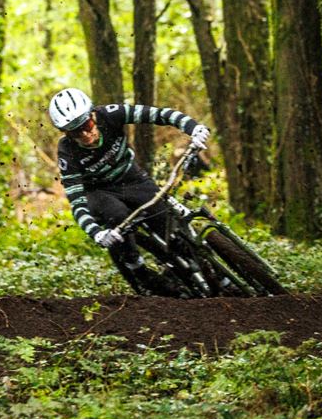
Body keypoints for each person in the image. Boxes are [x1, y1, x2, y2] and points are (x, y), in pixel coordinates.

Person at [48, 87, 210, 289]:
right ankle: (136, 266)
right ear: (66, 133)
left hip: (131, 178)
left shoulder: (111, 115)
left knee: (167, 222)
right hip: (99, 193)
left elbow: (159, 114)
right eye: (75, 131)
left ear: (93, 115)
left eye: (87, 124)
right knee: (117, 215)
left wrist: (193, 128)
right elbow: (76, 200)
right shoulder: (67, 151)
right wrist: (97, 233)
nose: (85, 134)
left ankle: (204, 268)